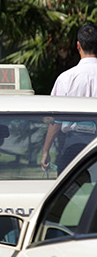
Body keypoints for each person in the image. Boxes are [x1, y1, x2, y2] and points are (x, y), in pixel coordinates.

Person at [41, 23, 97, 173]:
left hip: (74, 145)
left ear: (78, 45)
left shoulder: (66, 78)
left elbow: (55, 120)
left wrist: (46, 150)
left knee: (67, 193)